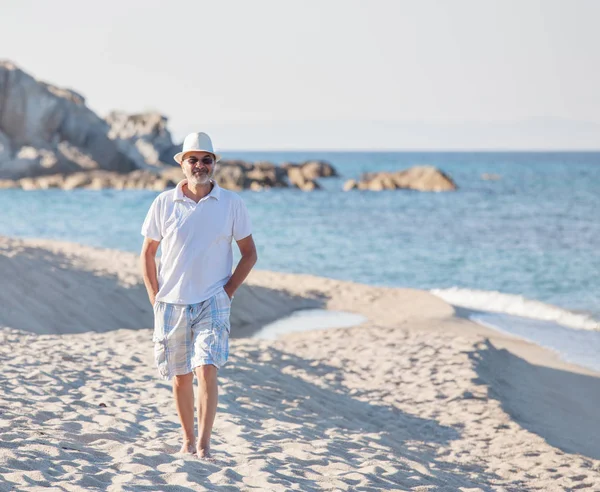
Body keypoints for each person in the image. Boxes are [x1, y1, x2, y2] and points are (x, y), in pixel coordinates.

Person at [140, 131, 257, 459]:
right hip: (171, 303)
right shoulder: (163, 203)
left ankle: (204, 445)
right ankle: (187, 440)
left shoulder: (232, 203)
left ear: (214, 164)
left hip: (212, 302)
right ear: (182, 164)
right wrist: (154, 295)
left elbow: (249, 253)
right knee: (180, 377)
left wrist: (228, 292)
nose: (200, 165)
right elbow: (148, 253)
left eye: (207, 159)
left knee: (206, 368)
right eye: (193, 159)